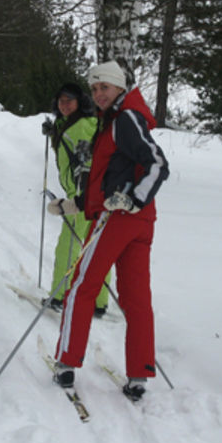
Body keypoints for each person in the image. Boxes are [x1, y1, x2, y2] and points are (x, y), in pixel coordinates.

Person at [46, 60, 169, 401]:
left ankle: (66, 363)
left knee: (82, 287)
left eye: (105, 87)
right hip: (138, 221)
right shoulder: (117, 119)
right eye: (95, 88)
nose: (99, 93)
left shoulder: (124, 118)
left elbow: (158, 164)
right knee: (135, 299)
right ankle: (139, 375)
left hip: (119, 219)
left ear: (119, 88)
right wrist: (75, 205)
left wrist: (131, 199)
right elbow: (111, 177)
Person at [41, 83, 111, 316]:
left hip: (84, 198)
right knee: (96, 249)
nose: (64, 105)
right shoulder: (72, 123)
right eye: (61, 101)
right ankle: (99, 303)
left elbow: (87, 159)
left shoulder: (81, 126)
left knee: (68, 246)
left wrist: (82, 195)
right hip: (97, 197)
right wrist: (54, 134)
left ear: (80, 102)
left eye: (70, 101)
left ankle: (58, 297)